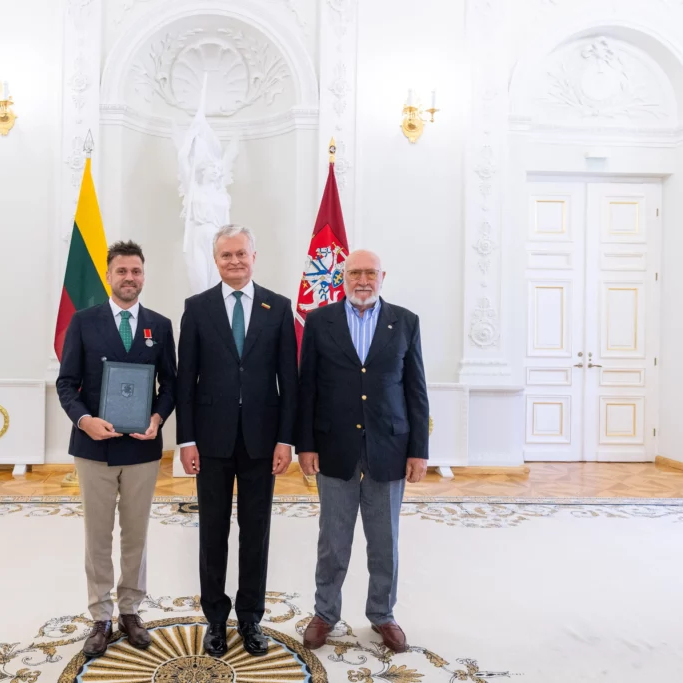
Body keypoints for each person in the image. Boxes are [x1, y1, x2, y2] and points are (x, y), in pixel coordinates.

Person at [296, 249, 429, 654]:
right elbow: (308, 389)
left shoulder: (405, 321)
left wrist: (418, 450)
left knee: (384, 540)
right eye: (355, 272)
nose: (363, 280)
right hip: (334, 447)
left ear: (382, 276)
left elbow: (415, 389)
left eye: (370, 272)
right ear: (343, 277)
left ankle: (382, 615)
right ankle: (324, 613)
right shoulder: (320, 322)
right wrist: (306, 445)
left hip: (389, 446)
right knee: (333, 540)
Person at [176, 224, 298, 657]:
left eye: (241, 254)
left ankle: (250, 619)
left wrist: (287, 440)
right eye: (226, 255)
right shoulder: (197, 307)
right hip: (210, 442)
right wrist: (185, 440)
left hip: (263, 442)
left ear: (254, 256)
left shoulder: (278, 308)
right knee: (213, 532)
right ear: (216, 260)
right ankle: (214, 619)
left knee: (256, 533)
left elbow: (291, 381)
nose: (234, 261)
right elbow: (184, 380)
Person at [56, 240, 177, 658]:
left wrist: (158, 418)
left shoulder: (160, 326)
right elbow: (66, 383)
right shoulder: (84, 322)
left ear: (144, 275)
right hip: (94, 448)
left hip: (142, 449)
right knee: (97, 534)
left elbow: (171, 385)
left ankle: (130, 609)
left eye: (136, 272)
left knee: (136, 534)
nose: (130, 278)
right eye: (122, 271)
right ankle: (100, 616)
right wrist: (84, 420)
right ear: (109, 276)